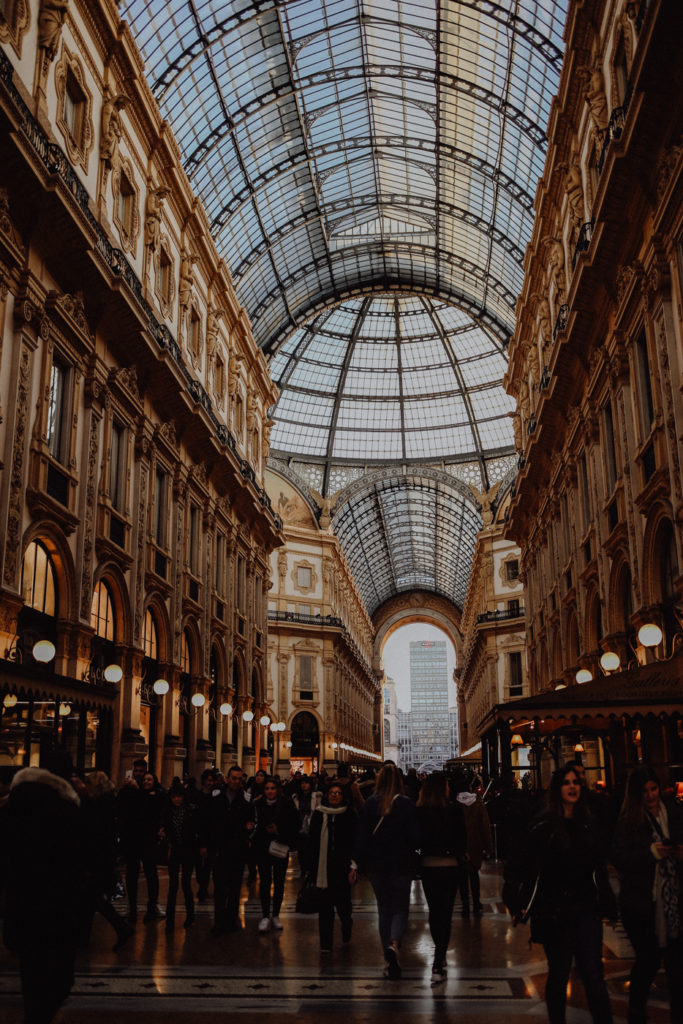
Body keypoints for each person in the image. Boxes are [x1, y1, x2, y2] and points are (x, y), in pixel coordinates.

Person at [503, 765, 616, 1024]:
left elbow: (598, 869)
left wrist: (607, 901)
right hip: (555, 912)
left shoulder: (588, 823)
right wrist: (518, 901)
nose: (573, 786)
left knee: (594, 975)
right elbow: (520, 866)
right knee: (559, 974)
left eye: (576, 782)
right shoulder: (543, 825)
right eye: (566, 782)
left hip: (586, 909)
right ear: (558, 789)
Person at [3, 751, 84, 1024]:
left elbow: (9, 869)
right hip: (58, 910)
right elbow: (77, 868)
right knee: (58, 980)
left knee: (32, 978)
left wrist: (10, 928)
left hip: (24, 909)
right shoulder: (67, 809)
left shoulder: (13, 808)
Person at [611, 765, 683, 1024]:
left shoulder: (673, 812)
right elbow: (619, 857)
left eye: (653, 789)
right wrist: (650, 853)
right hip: (642, 903)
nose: (651, 796)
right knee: (648, 961)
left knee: (677, 967)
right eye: (645, 792)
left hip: (673, 900)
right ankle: (636, 1012)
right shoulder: (629, 821)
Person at [354, 763, 420, 979]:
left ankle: (387, 953)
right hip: (401, 864)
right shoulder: (407, 805)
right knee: (400, 908)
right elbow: (414, 837)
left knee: (384, 909)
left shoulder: (370, 804)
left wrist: (357, 863)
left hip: (377, 865)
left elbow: (361, 837)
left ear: (379, 780)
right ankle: (394, 945)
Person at [417, 772, 467, 983]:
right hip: (450, 867)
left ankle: (439, 955)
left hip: (429, 867)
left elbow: (417, 838)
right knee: (445, 913)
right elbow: (462, 839)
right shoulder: (454, 810)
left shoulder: (420, 811)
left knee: (434, 910)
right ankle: (439, 958)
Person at [78, 770, 134, 951]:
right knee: (89, 901)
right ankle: (84, 940)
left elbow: (96, 835)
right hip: (100, 860)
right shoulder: (105, 803)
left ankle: (121, 928)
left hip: (97, 861)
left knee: (93, 900)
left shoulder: (99, 806)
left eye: (88, 784)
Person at [201, 764, 251, 935]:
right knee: (220, 889)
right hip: (219, 851)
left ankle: (231, 921)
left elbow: (250, 824)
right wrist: (205, 845)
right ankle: (219, 922)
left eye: (239, 778)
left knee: (235, 889)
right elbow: (207, 823)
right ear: (227, 779)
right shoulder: (216, 799)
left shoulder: (246, 800)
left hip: (237, 852)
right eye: (234, 778)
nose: (236, 781)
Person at [309, 780, 358, 951]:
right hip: (323, 868)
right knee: (325, 908)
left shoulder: (350, 815)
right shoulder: (318, 814)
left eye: (338, 793)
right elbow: (312, 843)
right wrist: (311, 869)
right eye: (331, 793)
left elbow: (354, 842)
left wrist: (354, 866)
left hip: (342, 867)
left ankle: (346, 924)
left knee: (344, 906)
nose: (334, 796)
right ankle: (326, 944)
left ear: (343, 796)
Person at [249, 776, 299, 933]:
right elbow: (253, 824)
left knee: (279, 882)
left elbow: (295, 824)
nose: (270, 791)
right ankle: (265, 915)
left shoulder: (287, 803)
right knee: (264, 881)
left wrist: (279, 831)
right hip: (262, 848)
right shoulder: (257, 804)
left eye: (272, 788)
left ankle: (275, 915)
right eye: (267, 789)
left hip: (280, 847)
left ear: (277, 789)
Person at [117, 767, 165, 924]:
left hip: (148, 840)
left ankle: (153, 905)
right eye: (144, 779)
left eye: (148, 779)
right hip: (133, 840)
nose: (145, 781)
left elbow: (153, 810)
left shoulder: (156, 795)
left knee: (151, 872)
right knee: (132, 873)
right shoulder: (131, 792)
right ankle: (132, 906)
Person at [454, 772, 492, 916]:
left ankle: (465, 904)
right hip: (475, 844)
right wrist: (488, 846)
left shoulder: (455, 804)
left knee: (462, 877)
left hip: (460, 845)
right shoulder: (478, 803)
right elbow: (485, 826)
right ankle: (476, 903)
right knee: (474, 874)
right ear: (469, 788)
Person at [292, 775, 322, 877]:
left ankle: (310, 869)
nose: (304, 785)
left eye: (306, 783)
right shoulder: (296, 797)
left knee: (311, 849)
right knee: (301, 850)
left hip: (312, 825)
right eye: (302, 783)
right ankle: (303, 869)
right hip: (300, 825)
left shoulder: (316, 796)